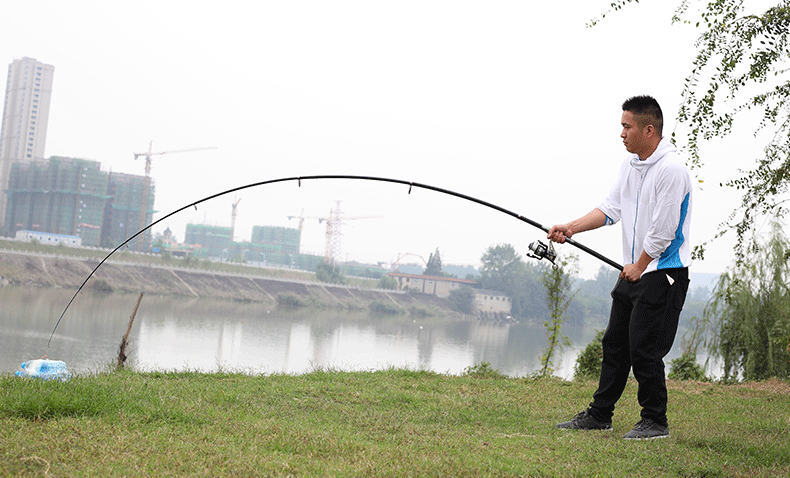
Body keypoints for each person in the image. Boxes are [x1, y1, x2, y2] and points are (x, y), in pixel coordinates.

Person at [548, 95, 692, 440]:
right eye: (622, 126)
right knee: (614, 343)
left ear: (649, 129)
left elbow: (664, 229)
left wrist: (641, 265)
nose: (622, 134)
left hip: (663, 272)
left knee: (645, 348)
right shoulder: (631, 166)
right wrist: (571, 227)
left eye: (627, 126)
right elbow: (611, 209)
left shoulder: (671, 170)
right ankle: (600, 415)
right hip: (634, 270)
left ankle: (655, 421)